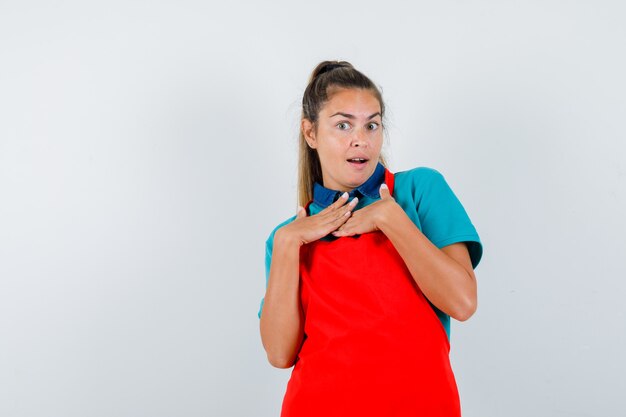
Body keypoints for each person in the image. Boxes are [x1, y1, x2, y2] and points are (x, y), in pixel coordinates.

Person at [258, 60, 483, 417]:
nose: (360, 138)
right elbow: (279, 353)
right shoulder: (289, 236)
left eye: (372, 124)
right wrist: (287, 245)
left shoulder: (419, 190)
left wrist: (390, 217)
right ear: (310, 133)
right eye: (343, 125)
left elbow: (463, 302)